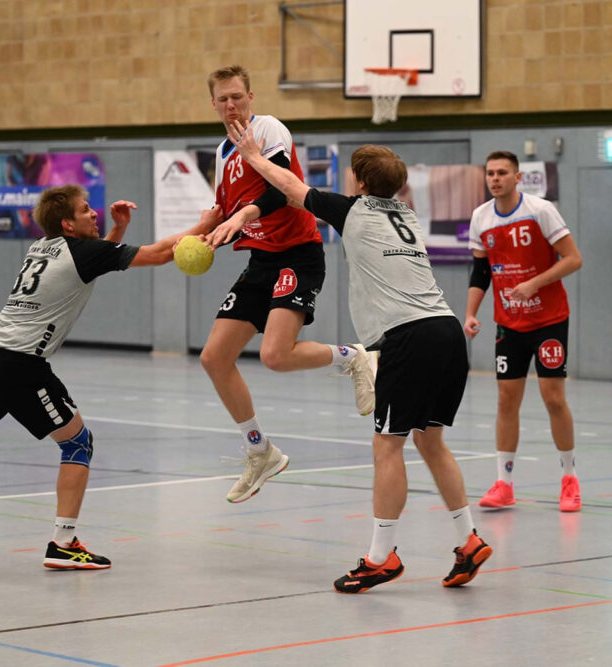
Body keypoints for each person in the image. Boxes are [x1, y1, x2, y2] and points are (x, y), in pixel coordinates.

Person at [0, 185, 222, 569]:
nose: (93, 214)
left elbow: (96, 262)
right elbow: (161, 254)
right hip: (19, 364)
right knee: (77, 443)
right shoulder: (84, 252)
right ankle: (64, 542)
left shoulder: (42, 246)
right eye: (86, 211)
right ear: (68, 223)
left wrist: (117, 230)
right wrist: (204, 224)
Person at [230, 121, 492, 591]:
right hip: (448, 332)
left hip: (408, 338)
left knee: (387, 446)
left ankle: (380, 557)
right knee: (431, 442)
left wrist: (252, 154)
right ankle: (468, 539)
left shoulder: (354, 210)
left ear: (360, 181)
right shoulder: (406, 215)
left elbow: (292, 188)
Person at [201, 65, 376, 505]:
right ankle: (260, 451)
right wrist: (203, 235)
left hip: (298, 252)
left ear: (251, 97)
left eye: (237, 96)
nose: (231, 105)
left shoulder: (268, 130)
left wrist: (242, 217)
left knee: (275, 356)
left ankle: (352, 358)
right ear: (213, 103)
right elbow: (224, 213)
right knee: (214, 358)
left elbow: (281, 192)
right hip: (261, 260)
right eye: (222, 99)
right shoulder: (222, 156)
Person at [464, 151, 583, 512]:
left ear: (517, 177)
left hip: (548, 319)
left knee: (553, 398)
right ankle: (504, 483)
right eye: (490, 173)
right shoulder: (480, 218)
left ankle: (569, 478)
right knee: (506, 401)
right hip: (509, 323)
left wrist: (535, 283)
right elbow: (481, 272)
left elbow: (573, 258)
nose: (495, 178)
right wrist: (470, 313)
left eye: (502, 173)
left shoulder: (540, 210)